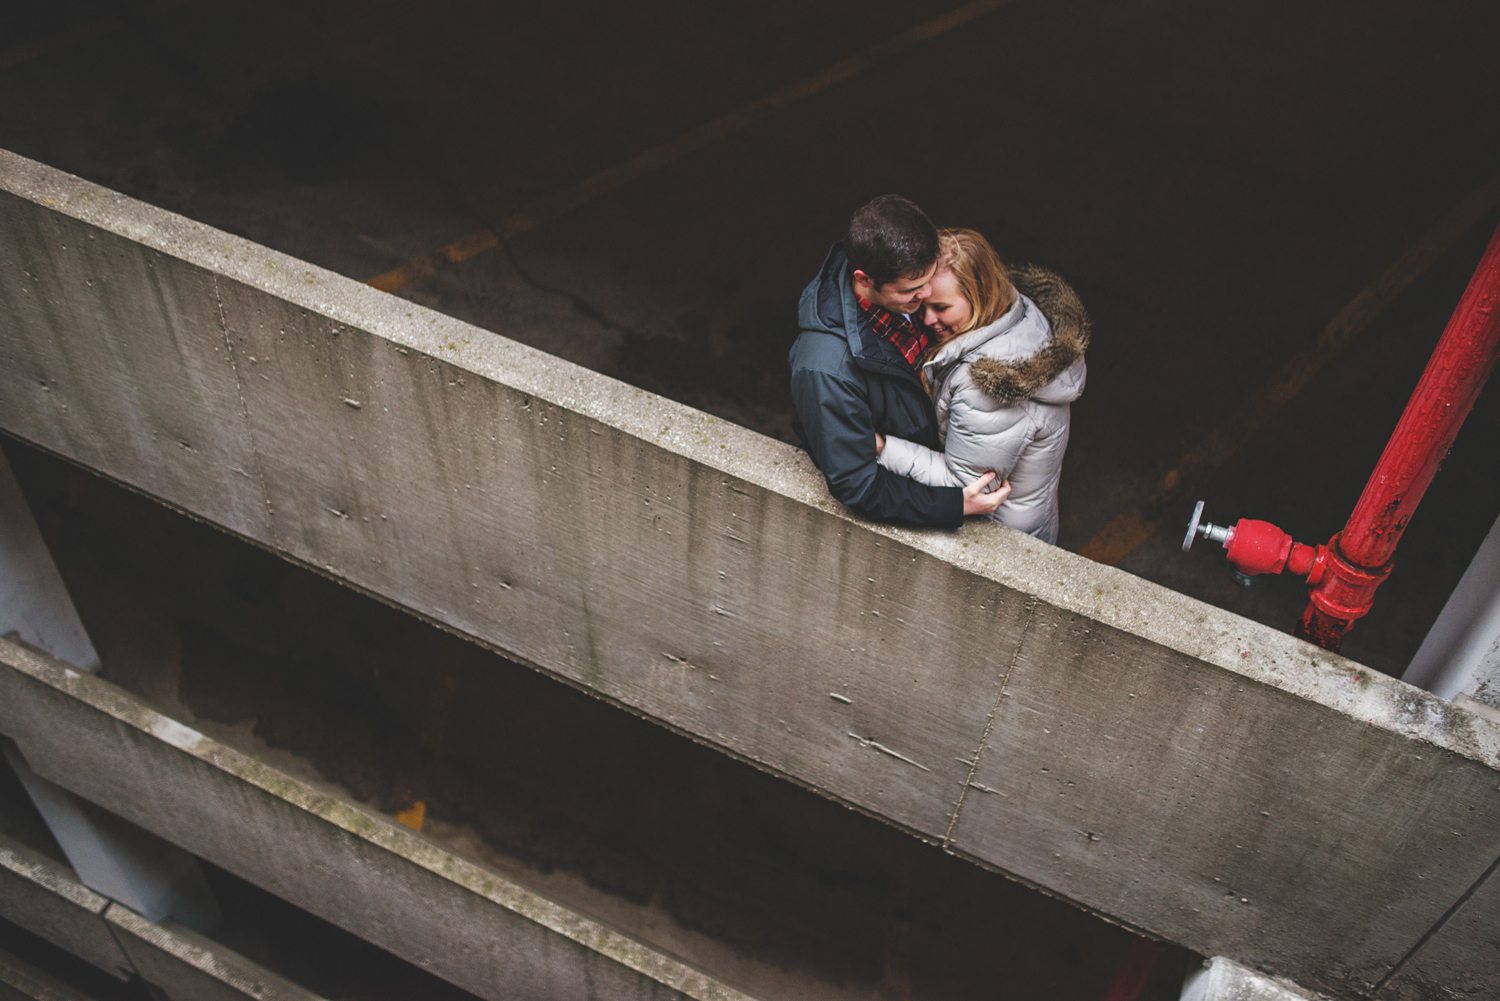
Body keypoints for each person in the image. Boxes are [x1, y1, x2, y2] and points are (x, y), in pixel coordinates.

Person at [789, 196, 1009, 527]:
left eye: (929, 280)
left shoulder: (907, 297)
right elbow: (858, 484)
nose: (927, 296)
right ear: (864, 279)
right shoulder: (825, 368)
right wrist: (950, 505)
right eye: (913, 290)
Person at [874, 228, 1088, 545]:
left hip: (1000, 543)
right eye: (923, 304)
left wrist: (882, 447)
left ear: (978, 294)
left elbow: (964, 487)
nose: (927, 319)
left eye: (941, 308)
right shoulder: (1018, 311)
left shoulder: (990, 384)